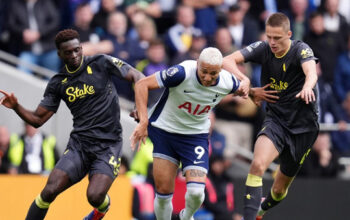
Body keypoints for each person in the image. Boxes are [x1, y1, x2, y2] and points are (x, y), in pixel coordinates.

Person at [0, 29, 144, 220]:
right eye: (68, 52)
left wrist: (139, 107)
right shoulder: (58, 83)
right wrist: (17, 106)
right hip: (80, 146)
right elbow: (37, 120)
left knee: (94, 196)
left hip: (108, 145)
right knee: (49, 191)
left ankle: (101, 208)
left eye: (77, 50)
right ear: (60, 54)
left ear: (81, 48)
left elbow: (138, 76)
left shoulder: (101, 62)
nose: (74, 55)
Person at [222, 12, 319, 220]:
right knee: (257, 165)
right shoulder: (263, 48)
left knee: (278, 191)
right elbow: (227, 61)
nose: (272, 42)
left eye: (277, 38)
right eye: (269, 37)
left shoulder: (301, 50)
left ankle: (262, 209)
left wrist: (308, 87)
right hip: (276, 120)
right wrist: (247, 84)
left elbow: (311, 72)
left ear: (289, 34)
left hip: (304, 127)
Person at [130, 47, 244, 220]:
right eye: (203, 71)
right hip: (165, 132)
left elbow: (241, 90)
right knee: (163, 194)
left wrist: (254, 92)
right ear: (197, 64)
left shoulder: (228, 81)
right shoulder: (182, 72)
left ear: (220, 70)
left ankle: (187, 216)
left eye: (212, 73)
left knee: (197, 194)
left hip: (194, 137)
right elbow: (142, 84)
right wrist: (144, 120)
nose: (207, 77)